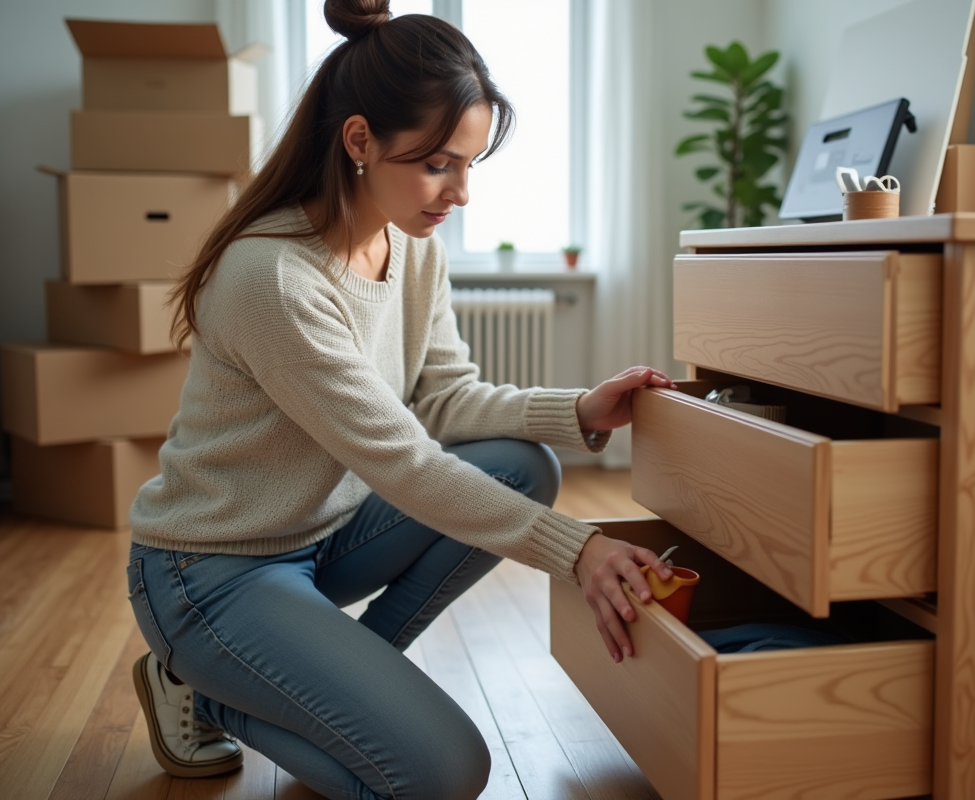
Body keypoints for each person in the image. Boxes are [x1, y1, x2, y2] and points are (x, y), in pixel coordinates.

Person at [125, 3, 676, 797]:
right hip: (213, 570)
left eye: (470, 165)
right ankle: (207, 683)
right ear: (359, 142)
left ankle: (324, 685)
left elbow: (444, 398)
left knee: (524, 464)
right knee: (441, 774)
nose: (459, 192)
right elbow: (405, 461)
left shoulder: (412, 246)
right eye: (438, 164)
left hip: (321, 541)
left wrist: (580, 408)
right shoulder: (273, 279)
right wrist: (578, 550)